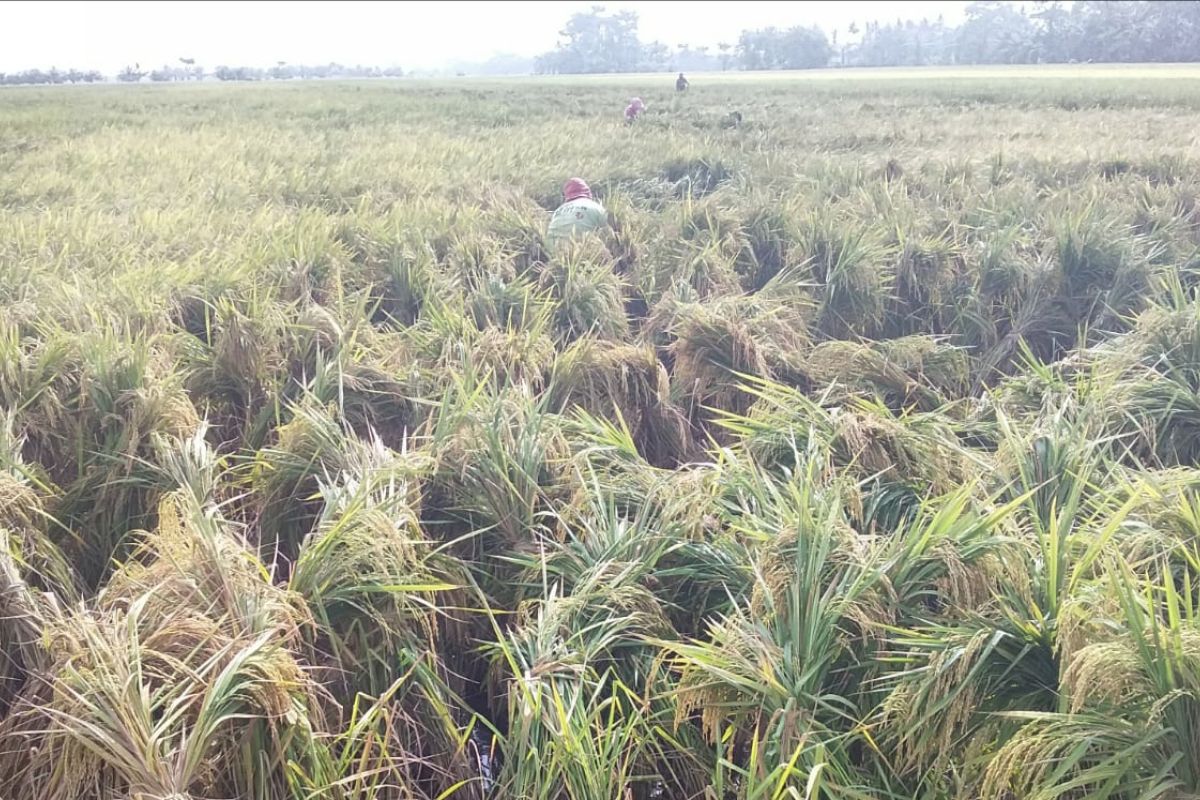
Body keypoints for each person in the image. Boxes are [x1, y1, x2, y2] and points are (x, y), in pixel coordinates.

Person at [546, 178, 613, 251]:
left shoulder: (558, 211)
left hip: (552, 252)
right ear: (588, 192)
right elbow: (609, 236)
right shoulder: (596, 208)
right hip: (582, 253)